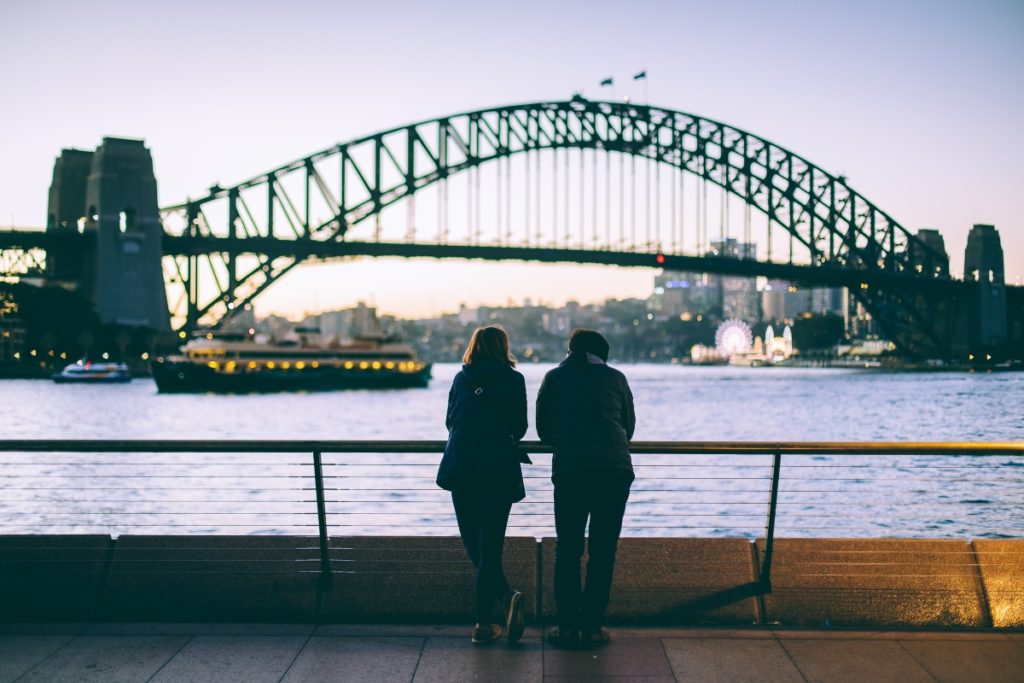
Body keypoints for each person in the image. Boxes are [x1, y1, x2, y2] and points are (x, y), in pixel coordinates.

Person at [536, 329, 636, 649]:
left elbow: (541, 431)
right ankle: (592, 628)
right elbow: (629, 427)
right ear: (602, 355)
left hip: (571, 471)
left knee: (568, 550)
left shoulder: (553, 378)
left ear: (571, 351)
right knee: (603, 551)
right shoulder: (616, 378)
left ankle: (566, 628)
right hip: (615, 471)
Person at [436, 325, 529, 645]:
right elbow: (520, 426)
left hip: (462, 465)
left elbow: (450, 420)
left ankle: (494, 612)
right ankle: (485, 621)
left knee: (473, 543)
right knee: (490, 546)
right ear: (503, 347)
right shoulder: (514, 379)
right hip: (498, 468)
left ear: (473, 347)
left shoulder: (462, 378)